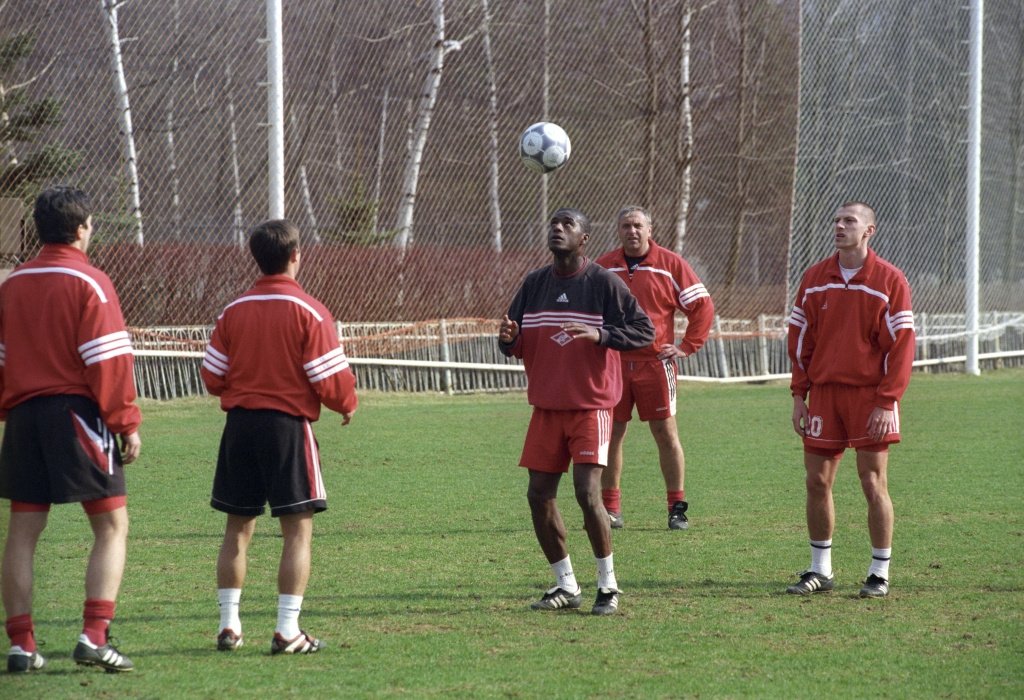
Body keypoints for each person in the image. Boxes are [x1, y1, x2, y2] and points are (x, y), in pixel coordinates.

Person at [0, 186, 142, 674]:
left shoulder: (12, 284)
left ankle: (21, 645)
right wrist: (126, 422)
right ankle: (94, 636)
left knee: (23, 530)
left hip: (23, 417)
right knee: (111, 525)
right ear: (82, 229)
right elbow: (107, 361)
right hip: (76, 416)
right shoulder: (91, 282)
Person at [201, 219, 358, 654]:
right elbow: (328, 379)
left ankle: (228, 625)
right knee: (296, 532)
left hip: (239, 428)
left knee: (238, 528)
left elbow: (213, 376)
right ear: (295, 256)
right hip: (287, 428)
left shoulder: (232, 311)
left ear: (256, 258)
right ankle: (287, 630)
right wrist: (346, 404)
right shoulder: (310, 311)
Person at [498, 207, 654, 616]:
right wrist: (508, 339)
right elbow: (515, 340)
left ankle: (608, 587)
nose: (558, 228)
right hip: (547, 408)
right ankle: (565, 584)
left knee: (587, 493)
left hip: (591, 407)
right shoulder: (534, 283)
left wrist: (600, 334)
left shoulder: (603, 282)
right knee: (538, 495)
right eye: (553, 223)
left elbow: (643, 330)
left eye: (568, 224)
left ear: (584, 238)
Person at [786, 201, 915, 598]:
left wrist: (886, 401)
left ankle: (879, 572)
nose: (839, 226)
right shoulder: (814, 278)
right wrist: (799, 395)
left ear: (869, 231)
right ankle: (820, 569)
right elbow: (799, 340)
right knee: (816, 481)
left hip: (870, 397)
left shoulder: (890, 280)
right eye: (836, 220)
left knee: (873, 482)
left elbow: (902, 347)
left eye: (849, 221)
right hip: (824, 395)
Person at [595, 206, 714, 530]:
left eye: (637, 226)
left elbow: (702, 305)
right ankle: (610, 508)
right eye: (625, 226)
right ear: (618, 231)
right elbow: (586, 309)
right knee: (611, 434)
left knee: (665, 434)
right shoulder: (604, 267)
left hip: (655, 364)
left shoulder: (671, 265)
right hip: (614, 364)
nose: (631, 231)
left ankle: (676, 507)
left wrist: (687, 345)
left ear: (650, 229)